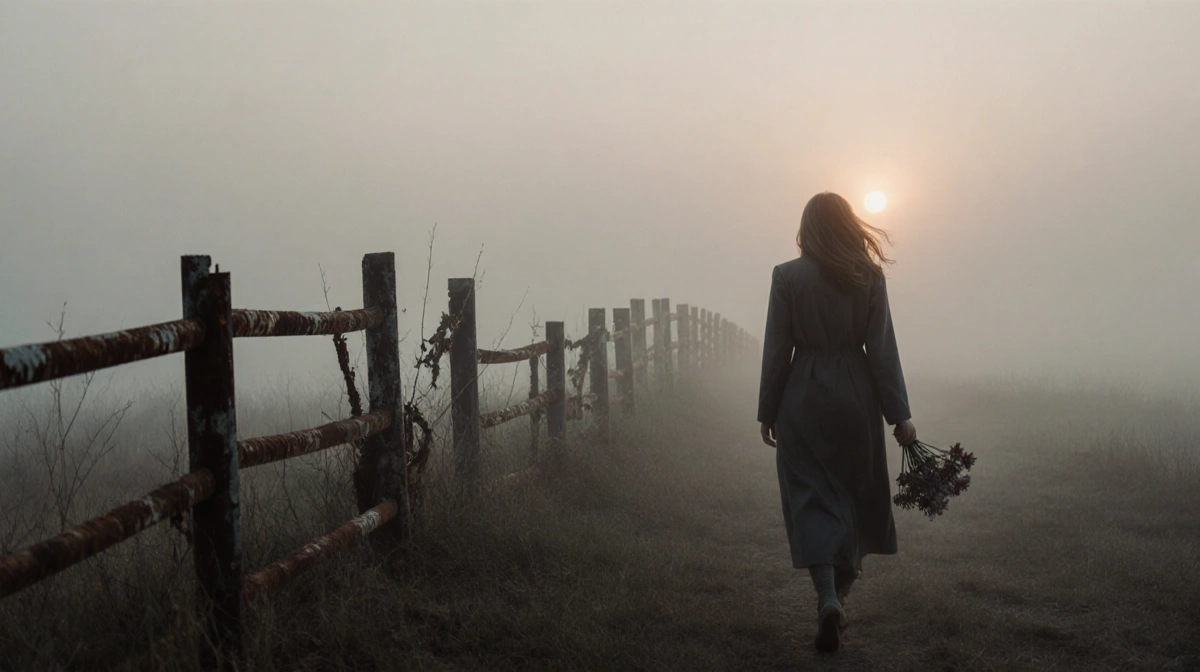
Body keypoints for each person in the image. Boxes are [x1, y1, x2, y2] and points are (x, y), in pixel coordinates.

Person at [757, 191, 916, 653]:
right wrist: (899, 413)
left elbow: (777, 349)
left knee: (810, 498)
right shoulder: (868, 276)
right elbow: (882, 351)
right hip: (855, 396)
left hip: (803, 397)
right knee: (854, 495)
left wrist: (768, 410)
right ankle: (839, 596)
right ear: (848, 225)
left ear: (807, 227)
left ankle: (828, 597)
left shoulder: (787, 276)